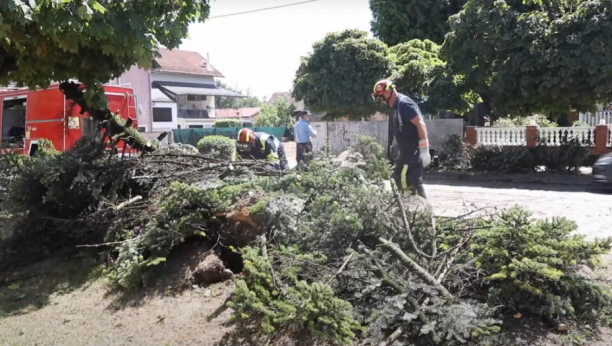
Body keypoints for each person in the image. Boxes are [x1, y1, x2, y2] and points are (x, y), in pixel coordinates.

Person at [372, 79, 431, 199]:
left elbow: (420, 124)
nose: (382, 101)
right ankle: (415, 211)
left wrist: (424, 149)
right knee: (405, 182)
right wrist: (396, 144)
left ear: (388, 92)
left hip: (411, 154)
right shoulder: (397, 106)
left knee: (404, 182)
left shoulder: (404, 104)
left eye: (381, 96)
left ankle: (414, 211)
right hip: (406, 154)